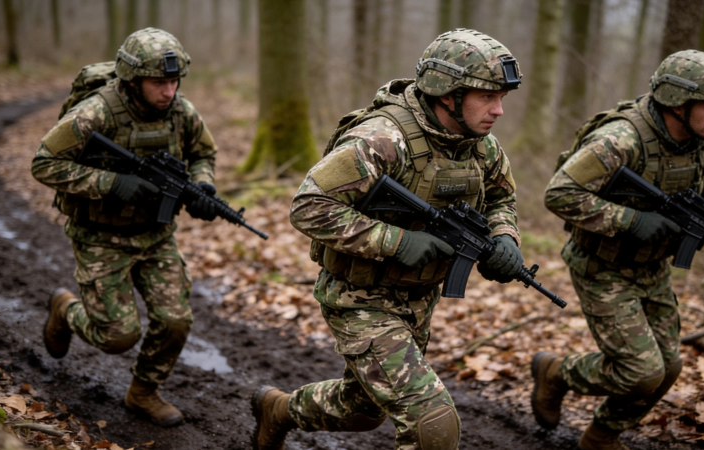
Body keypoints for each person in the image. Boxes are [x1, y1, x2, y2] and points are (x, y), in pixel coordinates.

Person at [251, 29, 525, 450]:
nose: (499, 110)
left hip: (417, 299)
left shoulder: (480, 148)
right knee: (433, 427)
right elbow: (308, 206)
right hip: (358, 297)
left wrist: (504, 237)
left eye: (501, 97)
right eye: (488, 96)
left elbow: (502, 196)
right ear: (447, 92)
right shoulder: (382, 138)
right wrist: (396, 242)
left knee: (361, 409)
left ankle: (278, 410)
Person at [537, 50, 704, 449]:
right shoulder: (621, 139)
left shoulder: (702, 144)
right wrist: (633, 221)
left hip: (654, 267)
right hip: (601, 265)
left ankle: (601, 437)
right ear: (677, 104)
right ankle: (556, 374)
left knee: (668, 368)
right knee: (641, 372)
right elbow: (560, 193)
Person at [32, 27, 219, 427]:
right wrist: (112, 183)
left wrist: (203, 187)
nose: (168, 91)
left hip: (155, 235)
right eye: (159, 82)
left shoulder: (181, 112)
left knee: (175, 321)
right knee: (117, 337)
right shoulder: (95, 112)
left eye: (174, 81)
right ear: (133, 80)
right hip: (100, 236)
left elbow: (204, 152)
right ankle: (65, 311)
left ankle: (143, 393)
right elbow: (44, 163)